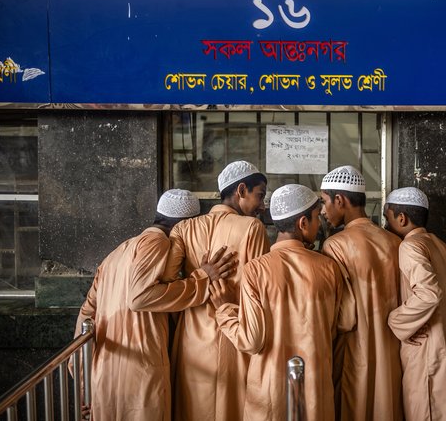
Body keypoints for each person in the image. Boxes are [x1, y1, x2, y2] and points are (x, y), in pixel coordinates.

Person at [72, 189, 237, 421]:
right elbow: (140, 297)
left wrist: (82, 384)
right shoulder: (157, 242)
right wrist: (202, 278)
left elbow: (85, 318)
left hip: (104, 375)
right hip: (139, 375)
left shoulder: (116, 254)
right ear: (184, 227)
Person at [209, 184, 356, 421]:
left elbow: (251, 340)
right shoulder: (329, 267)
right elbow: (346, 321)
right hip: (314, 391)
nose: (320, 224)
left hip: (270, 393)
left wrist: (225, 309)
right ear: (302, 223)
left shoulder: (256, 270)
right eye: (317, 218)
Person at [163, 160, 270, 421]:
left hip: (191, 339)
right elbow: (261, 291)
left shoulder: (184, 229)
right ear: (241, 190)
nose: (262, 205)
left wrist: (199, 278)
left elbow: (165, 284)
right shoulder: (252, 228)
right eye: (260, 195)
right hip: (234, 333)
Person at [383, 187, 446, 421]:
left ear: (401, 218)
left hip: (427, 351)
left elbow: (429, 294)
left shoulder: (410, 246)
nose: (384, 225)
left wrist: (397, 322)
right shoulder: (444, 248)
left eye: (387, 218)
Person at [319, 165, 403, 421]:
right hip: (393, 349)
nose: (322, 211)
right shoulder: (394, 242)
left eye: (324, 202)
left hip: (355, 350)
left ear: (340, 200)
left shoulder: (335, 245)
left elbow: (343, 317)